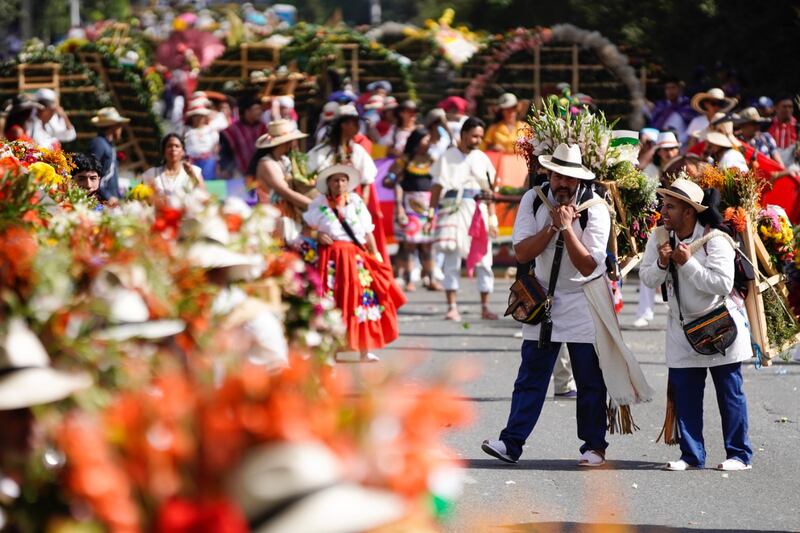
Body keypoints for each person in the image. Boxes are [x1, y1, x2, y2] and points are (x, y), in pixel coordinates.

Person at [481, 143, 652, 466]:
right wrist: (551, 226)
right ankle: (511, 443)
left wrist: (567, 229)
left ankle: (593, 447)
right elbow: (522, 253)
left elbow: (589, 265)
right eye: (558, 175)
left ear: (579, 180)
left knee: (589, 378)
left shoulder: (595, 207)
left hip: (583, 298)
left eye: (569, 178)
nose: (562, 183)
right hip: (541, 297)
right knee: (531, 376)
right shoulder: (534, 199)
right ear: (548, 172)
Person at [639, 178, 753, 471]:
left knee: (730, 393)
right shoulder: (659, 236)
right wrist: (663, 265)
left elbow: (722, 283)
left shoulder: (716, 239)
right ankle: (691, 455)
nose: (663, 212)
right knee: (686, 393)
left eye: (671, 207)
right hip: (680, 328)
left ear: (689, 211)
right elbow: (647, 278)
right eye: (663, 205)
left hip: (719, 325)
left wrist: (688, 263)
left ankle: (739, 454)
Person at [302, 164, 406, 363]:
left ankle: (364, 349)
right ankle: (330, 351)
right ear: (328, 184)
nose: (339, 184)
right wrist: (318, 235)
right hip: (331, 259)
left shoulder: (356, 202)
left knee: (360, 300)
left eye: (343, 180)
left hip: (356, 257)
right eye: (335, 180)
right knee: (332, 301)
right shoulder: (319, 204)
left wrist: (375, 254)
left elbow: (368, 231)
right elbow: (306, 230)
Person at [426, 117, 498, 321]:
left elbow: (489, 191)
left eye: (480, 137)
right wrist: (431, 215)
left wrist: (492, 218)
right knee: (452, 257)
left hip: (479, 210)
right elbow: (436, 187)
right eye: (474, 135)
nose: (477, 140)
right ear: (464, 134)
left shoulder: (482, 158)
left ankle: (485, 307)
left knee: (484, 260)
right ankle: (452, 307)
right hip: (453, 210)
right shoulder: (447, 156)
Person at [307, 104, 386, 261]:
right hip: (325, 206)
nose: (358, 127)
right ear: (343, 125)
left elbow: (367, 181)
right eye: (354, 123)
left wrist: (361, 203)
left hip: (352, 204)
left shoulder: (357, 150)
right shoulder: (321, 152)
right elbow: (307, 181)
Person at [393, 127, 443, 292]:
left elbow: (438, 183)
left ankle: (430, 278)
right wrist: (399, 206)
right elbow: (396, 182)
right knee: (409, 245)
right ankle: (408, 279)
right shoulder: (405, 160)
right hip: (409, 205)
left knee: (427, 245)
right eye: (426, 139)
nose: (429, 142)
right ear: (417, 140)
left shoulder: (432, 160)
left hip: (428, 206)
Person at [251, 119, 311, 241]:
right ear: (287, 142)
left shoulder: (284, 161)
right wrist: (313, 204)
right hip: (272, 217)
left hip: (288, 215)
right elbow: (286, 193)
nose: (295, 143)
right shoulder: (267, 164)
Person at [141, 133, 205, 198]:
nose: (173, 149)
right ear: (163, 151)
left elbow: (203, 195)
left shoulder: (194, 171)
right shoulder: (152, 174)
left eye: (177, 146)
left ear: (183, 152)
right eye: (169, 146)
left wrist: (191, 175)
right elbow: (141, 196)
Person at [220, 94, 267, 179]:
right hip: (238, 173)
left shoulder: (264, 128)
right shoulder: (231, 131)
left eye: (260, 109)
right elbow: (225, 153)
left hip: (261, 171)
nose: (260, 112)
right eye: (256, 109)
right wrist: (226, 169)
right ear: (247, 111)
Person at [89, 107, 129, 201]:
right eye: (119, 125)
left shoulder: (108, 144)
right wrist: (108, 196)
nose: (121, 129)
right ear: (113, 126)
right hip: (102, 201)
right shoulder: (98, 143)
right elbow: (92, 174)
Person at [649, 76, 695, 144]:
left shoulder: (688, 105)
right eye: (667, 88)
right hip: (661, 142)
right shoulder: (660, 106)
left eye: (673, 88)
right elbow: (654, 124)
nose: (670, 91)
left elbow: (693, 127)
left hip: (683, 143)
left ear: (679, 89)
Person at [183, 104, 220, 180]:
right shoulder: (187, 131)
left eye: (201, 116)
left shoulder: (211, 130)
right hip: (191, 162)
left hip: (208, 163)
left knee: (208, 183)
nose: (199, 118)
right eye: (196, 116)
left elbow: (216, 148)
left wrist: (217, 164)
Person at [768, 95, 797, 168]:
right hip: (772, 168)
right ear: (775, 108)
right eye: (784, 106)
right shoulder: (766, 126)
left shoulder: (798, 128)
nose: (787, 109)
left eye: (790, 107)